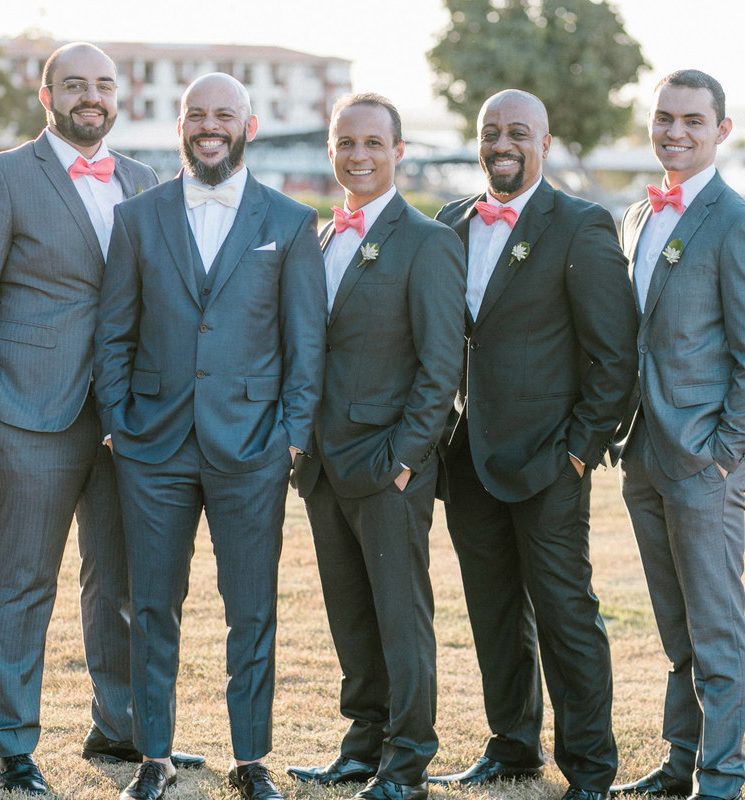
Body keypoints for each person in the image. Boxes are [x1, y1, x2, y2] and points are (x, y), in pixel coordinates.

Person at [0, 43, 201, 796]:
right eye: (76, 84)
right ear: (46, 94)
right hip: (30, 416)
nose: (92, 96)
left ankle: (122, 729)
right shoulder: (3, 176)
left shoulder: (145, 180)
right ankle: (11, 743)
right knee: (24, 580)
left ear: (118, 97)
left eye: (104, 85)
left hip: (130, 421)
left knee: (123, 583)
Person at [92, 72, 325, 800]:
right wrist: (118, 422)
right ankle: (154, 756)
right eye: (197, 114)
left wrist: (291, 436)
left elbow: (306, 342)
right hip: (151, 447)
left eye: (224, 114)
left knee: (251, 609)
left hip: (253, 447)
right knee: (152, 606)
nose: (209, 126)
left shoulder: (290, 221)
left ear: (248, 127)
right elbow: (114, 332)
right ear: (180, 126)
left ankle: (250, 759)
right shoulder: (137, 217)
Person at [429, 89, 639, 800]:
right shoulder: (450, 222)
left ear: (543, 144)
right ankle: (513, 746)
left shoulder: (580, 225)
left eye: (518, 132)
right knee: (492, 610)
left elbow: (615, 356)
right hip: (466, 458)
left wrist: (579, 451)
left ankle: (591, 769)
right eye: (492, 132)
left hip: (550, 459)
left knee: (564, 612)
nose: (503, 144)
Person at [610, 69, 745, 800]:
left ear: (722, 131)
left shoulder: (740, 224)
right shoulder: (636, 216)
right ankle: (679, 760)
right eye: (663, 118)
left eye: (691, 120)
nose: (674, 132)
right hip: (644, 454)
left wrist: (723, 457)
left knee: (714, 627)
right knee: (675, 626)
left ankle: (721, 776)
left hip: (702, 462)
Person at [285, 93, 464, 800]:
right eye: (345, 143)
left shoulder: (427, 241)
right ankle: (361, 746)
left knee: (400, 617)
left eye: (372, 143)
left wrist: (405, 460)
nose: (357, 155)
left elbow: (441, 365)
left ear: (398, 151)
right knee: (350, 615)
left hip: (389, 465)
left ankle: (408, 760)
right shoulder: (321, 238)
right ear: (331, 150)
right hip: (323, 465)